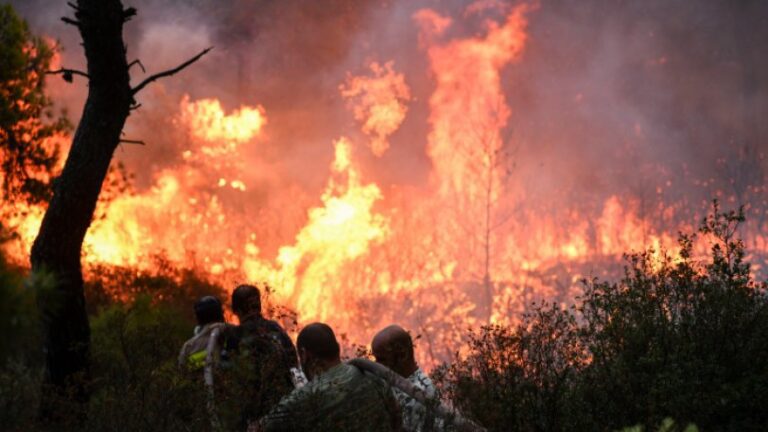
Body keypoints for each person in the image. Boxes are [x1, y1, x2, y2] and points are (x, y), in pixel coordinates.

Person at [258, 323, 402, 432]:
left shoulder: (305, 397)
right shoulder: (373, 376)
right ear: (337, 347)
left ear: (304, 354)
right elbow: (397, 420)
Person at [226, 284, 301, 428]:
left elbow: (229, 378)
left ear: (236, 310)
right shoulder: (275, 328)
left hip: (255, 415)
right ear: (259, 306)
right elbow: (294, 363)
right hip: (286, 406)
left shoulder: (235, 336)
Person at [372, 325, 438, 432]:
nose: (376, 364)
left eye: (381, 359)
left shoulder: (419, 395)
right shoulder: (394, 382)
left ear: (402, 355)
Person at [178, 295, 228, 371]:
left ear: (198, 318)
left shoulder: (188, 346)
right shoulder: (231, 335)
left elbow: (181, 372)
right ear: (221, 315)